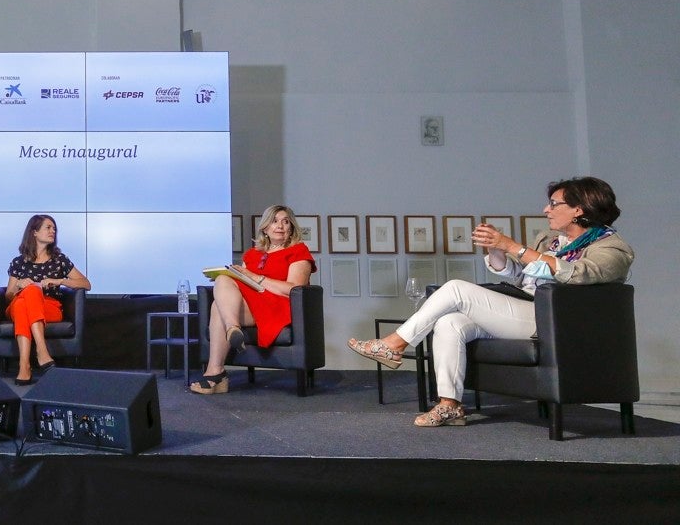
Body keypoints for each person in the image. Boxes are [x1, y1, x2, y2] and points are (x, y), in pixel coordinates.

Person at [348, 177, 634, 427]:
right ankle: (449, 404)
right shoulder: (551, 240)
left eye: (553, 204)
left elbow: (578, 275)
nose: (546, 210)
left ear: (578, 210)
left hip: (557, 321)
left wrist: (513, 246)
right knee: (450, 322)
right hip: (527, 308)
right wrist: (498, 250)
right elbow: (523, 274)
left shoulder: (611, 247)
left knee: (456, 289)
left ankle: (394, 344)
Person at [190, 205, 316, 394]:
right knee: (223, 280)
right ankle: (233, 329)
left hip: (278, 307)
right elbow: (244, 287)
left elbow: (293, 289)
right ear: (265, 228)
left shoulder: (298, 251)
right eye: (274, 221)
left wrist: (255, 277)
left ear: (291, 227)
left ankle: (216, 375)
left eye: (285, 221)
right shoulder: (251, 254)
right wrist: (233, 276)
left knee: (218, 307)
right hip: (253, 304)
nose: (280, 226)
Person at [4, 215, 92, 385]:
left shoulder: (59, 260)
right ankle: (41, 352)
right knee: (26, 296)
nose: (53, 231)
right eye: (48, 227)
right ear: (34, 232)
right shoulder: (19, 262)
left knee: (26, 302)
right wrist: (19, 285)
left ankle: (24, 366)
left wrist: (59, 280)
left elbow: (86, 284)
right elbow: (8, 295)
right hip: (16, 306)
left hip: (49, 308)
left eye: (54, 228)